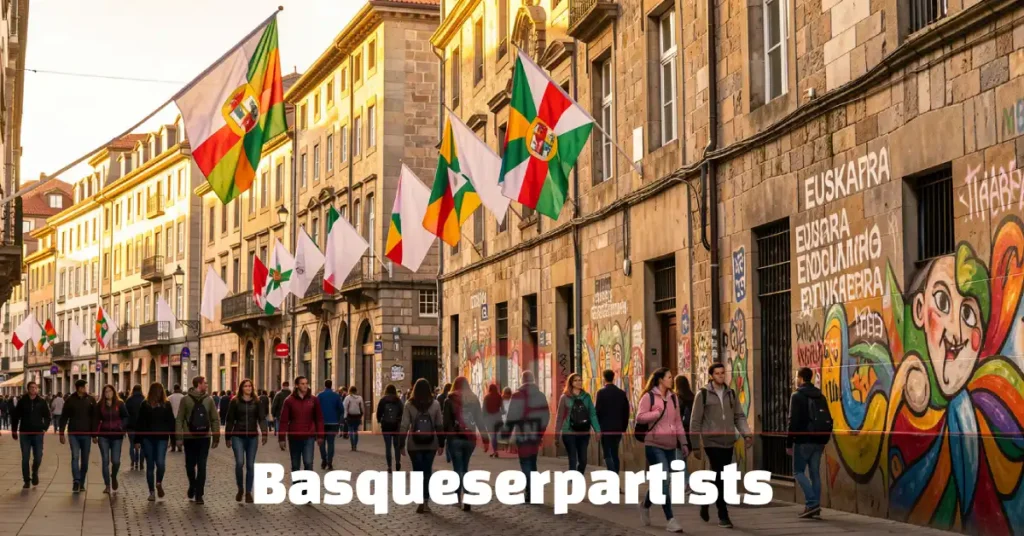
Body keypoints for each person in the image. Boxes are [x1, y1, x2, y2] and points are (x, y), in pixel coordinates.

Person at [691, 363, 752, 529]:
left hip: (728, 441)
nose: (720, 376)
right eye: (717, 373)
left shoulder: (731, 393)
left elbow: (739, 416)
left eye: (722, 373)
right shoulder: (702, 394)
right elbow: (695, 421)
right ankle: (723, 514)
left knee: (719, 475)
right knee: (720, 476)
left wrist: (746, 434)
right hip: (712, 441)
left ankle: (705, 500)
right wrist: (695, 445)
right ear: (711, 375)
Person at [636, 368, 689, 533]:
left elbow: (678, 421)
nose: (671, 380)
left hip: (670, 446)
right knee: (664, 479)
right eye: (668, 377)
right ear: (660, 379)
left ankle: (645, 505)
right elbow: (639, 417)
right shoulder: (648, 397)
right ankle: (670, 519)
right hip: (653, 445)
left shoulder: (673, 398)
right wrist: (654, 414)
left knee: (661, 482)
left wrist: (684, 443)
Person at [787, 367, 831, 519]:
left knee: (798, 471)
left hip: (803, 440)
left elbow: (792, 421)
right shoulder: (820, 395)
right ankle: (815, 507)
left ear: (799, 378)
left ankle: (812, 503)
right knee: (814, 473)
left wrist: (788, 442)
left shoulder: (797, 396)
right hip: (819, 440)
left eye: (796, 377)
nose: (795, 379)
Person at [501, 370, 550, 503]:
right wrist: (541, 432)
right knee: (532, 461)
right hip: (535, 433)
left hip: (522, 433)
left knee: (525, 462)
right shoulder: (540, 395)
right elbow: (546, 415)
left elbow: (512, 416)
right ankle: (533, 490)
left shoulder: (517, 395)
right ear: (533, 380)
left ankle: (531, 491)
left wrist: (506, 434)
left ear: (522, 381)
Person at [401, 378, 444, 514]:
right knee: (427, 472)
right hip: (431, 443)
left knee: (417, 471)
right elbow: (439, 425)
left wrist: (401, 444)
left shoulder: (409, 404)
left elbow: (404, 425)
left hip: (414, 444)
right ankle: (425, 501)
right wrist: (441, 443)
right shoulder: (435, 404)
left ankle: (420, 500)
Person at [175, 376, 220, 505]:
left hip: (202, 438)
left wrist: (216, 436)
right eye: (205, 383)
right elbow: (180, 418)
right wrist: (179, 437)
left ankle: (198, 493)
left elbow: (214, 419)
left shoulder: (209, 400)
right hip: (191, 438)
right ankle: (193, 486)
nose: (207, 385)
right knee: (192, 465)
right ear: (199, 384)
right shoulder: (186, 400)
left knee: (200, 465)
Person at [443, 376, 485, 511]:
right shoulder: (473, 399)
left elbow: (446, 423)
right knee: (465, 469)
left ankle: (457, 498)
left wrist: (443, 441)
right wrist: (486, 439)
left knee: (457, 470)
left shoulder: (449, 400)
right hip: (469, 439)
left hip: (455, 439)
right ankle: (468, 498)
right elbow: (480, 420)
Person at [225, 378, 268, 503]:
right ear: (241, 388)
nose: (248, 388)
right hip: (238, 435)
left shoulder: (257, 401)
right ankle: (240, 488)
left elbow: (261, 418)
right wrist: (227, 436)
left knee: (250, 465)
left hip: (252, 437)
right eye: (246, 386)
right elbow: (230, 420)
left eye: (250, 386)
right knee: (239, 463)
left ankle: (248, 492)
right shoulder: (235, 402)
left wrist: (264, 432)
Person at [134, 382, 175, 501]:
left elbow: (171, 422)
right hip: (148, 439)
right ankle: (151, 492)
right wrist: (137, 440)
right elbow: (140, 423)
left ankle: (158, 483)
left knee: (160, 463)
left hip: (162, 438)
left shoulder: (166, 405)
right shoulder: (145, 404)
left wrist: (173, 439)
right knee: (150, 465)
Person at [555, 373, 601, 474]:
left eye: (580, 380)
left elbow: (592, 414)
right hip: (569, 432)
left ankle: (579, 475)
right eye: (576, 380)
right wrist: (557, 434)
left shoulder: (586, 397)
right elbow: (559, 417)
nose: (579, 382)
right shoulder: (565, 397)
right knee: (572, 459)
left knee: (583, 460)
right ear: (571, 383)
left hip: (583, 432)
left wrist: (597, 430)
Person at [278, 376, 324, 474]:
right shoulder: (289, 400)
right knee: (295, 465)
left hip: (309, 436)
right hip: (294, 436)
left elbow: (319, 419)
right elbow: (284, 420)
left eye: (306, 383)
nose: (305, 386)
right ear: (297, 385)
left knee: (308, 463)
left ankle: (307, 488)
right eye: (302, 384)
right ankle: (297, 487)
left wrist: (320, 435)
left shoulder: (313, 400)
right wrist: (281, 438)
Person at [11, 381, 51, 488]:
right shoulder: (22, 401)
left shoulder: (41, 402)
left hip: (38, 433)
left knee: (38, 456)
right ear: (28, 389)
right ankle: (26, 480)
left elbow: (47, 416)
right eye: (31, 387)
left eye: (35, 387)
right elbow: (15, 416)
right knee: (25, 457)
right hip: (25, 433)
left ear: (37, 389)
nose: (34, 389)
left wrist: (44, 426)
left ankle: (35, 472)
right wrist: (14, 431)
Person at [60, 379, 96, 493]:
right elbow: (64, 417)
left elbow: (95, 418)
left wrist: (95, 434)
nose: (86, 388)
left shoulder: (91, 400)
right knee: (75, 457)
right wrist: (61, 433)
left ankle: (82, 482)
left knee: (85, 460)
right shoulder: (70, 400)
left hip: (86, 434)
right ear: (79, 388)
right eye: (84, 386)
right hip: (73, 433)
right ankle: (76, 481)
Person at [93, 384, 129, 495]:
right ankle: (107, 485)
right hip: (103, 436)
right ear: (103, 393)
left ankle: (113, 476)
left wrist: (121, 427)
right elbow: (95, 419)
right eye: (106, 391)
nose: (108, 393)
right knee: (105, 461)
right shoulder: (100, 405)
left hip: (117, 435)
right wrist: (94, 434)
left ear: (113, 392)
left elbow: (126, 417)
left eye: (110, 391)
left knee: (116, 461)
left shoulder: (120, 404)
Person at [596, 369, 630, 475]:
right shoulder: (621, 393)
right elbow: (626, 412)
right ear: (613, 378)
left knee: (607, 454)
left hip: (605, 428)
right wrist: (623, 427)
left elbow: (597, 411)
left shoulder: (601, 393)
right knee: (615, 453)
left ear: (604, 378)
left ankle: (612, 477)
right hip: (617, 428)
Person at [673, 374, 696, 488]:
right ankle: (685, 483)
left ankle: (688, 483)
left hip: (679, 434)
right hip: (691, 433)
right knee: (683, 460)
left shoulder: (677, 398)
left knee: (679, 461)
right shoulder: (694, 397)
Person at [376, 384, 404, 472]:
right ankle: (398, 462)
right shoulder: (398, 400)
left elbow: (379, 412)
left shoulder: (383, 400)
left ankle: (389, 466)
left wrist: (379, 420)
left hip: (386, 426)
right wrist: (399, 420)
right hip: (396, 426)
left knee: (388, 447)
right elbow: (402, 412)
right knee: (396, 446)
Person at [317, 379, 343, 470]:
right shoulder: (336, 396)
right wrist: (338, 418)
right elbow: (341, 409)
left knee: (321, 442)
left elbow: (315, 409)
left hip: (321, 423)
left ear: (325, 385)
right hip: (333, 422)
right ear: (331, 385)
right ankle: (330, 461)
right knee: (331, 443)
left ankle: (324, 459)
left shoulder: (320, 396)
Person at [124, 385, 144, 469]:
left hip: (131, 426)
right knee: (142, 445)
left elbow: (125, 414)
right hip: (142, 427)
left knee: (132, 444)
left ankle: (133, 461)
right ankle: (141, 462)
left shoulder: (129, 400)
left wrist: (125, 427)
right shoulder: (144, 399)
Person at [482, 383, 504, 457]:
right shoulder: (499, 397)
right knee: (496, 434)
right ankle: (496, 450)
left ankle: (495, 451)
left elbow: (483, 409)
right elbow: (503, 409)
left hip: (489, 419)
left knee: (492, 435)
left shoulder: (486, 397)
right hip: (497, 418)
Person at [343, 386, 364, 451]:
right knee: (356, 431)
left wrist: (345, 416)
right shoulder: (360, 398)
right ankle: (355, 445)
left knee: (351, 431)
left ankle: (352, 445)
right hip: (357, 416)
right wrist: (361, 415)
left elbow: (345, 407)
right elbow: (362, 408)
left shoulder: (347, 398)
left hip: (350, 416)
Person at [436, 382, 452, 462]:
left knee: (445, 437)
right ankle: (449, 455)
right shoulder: (452, 397)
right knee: (449, 438)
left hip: (442, 418)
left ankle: (448, 456)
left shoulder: (440, 397)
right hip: (450, 419)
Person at [167, 384, 184, 453]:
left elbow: (167, 408)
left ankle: (173, 447)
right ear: (179, 388)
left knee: (172, 433)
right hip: (181, 417)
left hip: (172, 417)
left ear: (174, 389)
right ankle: (180, 447)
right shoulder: (183, 397)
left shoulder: (169, 397)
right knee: (180, 432)